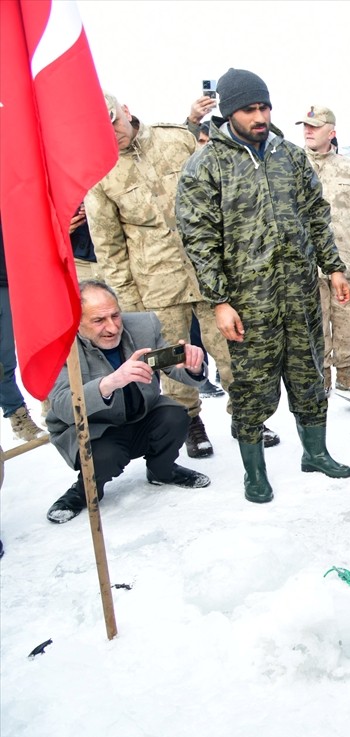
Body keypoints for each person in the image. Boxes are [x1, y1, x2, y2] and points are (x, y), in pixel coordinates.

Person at [177, 67, 350, 504]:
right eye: (249, 109)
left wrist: (333, 268)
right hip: (248, 302)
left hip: (299, 293)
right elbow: (198, 238)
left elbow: (316, 213)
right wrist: (219, 300)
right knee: (252, 387)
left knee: (309, 374)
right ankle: (254, 473)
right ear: (230, 111)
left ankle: (315, 453)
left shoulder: (289, 156)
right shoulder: (207, 164)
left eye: (264, 106)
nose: (259, 116)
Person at [86, 92, 233, 461]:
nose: (111, 132)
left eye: (113, 121)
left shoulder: (176, 138)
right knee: (172, 359)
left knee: (231, 349)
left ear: (126, 111)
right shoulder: (98, 170)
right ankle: (190, 422)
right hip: (156, 284)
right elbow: (109, 245)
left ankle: (247, 416)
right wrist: (129, 304)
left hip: (209, 272)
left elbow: (219, 196)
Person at [44, 281, 210, 523]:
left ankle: (162, 471)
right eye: (99, 320)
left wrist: (193, 368)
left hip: (140, 416)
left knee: (175, 416)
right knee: (105, 456)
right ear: (76, 322)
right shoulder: (61, 344)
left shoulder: (144, 325)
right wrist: (109, 383)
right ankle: (84, 491)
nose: (112, 327)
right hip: (95, 431)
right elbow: (63, 407)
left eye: (115, 315)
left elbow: (174, 368)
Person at [297, 104, 350, 396]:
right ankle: (322, 376)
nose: (307, 131)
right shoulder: (294, 166)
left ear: (332, 132)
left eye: (314, 127)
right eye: (305, 127)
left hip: (344, 260)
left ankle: (346, 373)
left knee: (345, 321)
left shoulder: (348, 168)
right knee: (315, 324)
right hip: (307, 263)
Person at [0, 213, 47, 441]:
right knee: (2, 361)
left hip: (16, 278)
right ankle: (16, 413)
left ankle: (54, 406)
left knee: (39, 346)